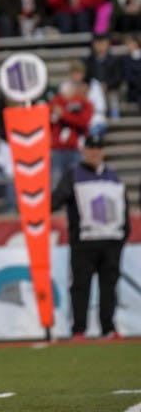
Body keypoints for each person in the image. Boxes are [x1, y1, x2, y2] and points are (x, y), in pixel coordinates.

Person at [52, 135, 129, 339]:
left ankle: (108, 328)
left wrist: (122, 237)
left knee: (109, 286)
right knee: (80, 286)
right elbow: (55, 201)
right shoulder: (73, 174)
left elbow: (124, 208)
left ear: (103, 151)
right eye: (91, 148)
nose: (95, 152)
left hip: (111, 241)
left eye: (98, 148)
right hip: (84, 242)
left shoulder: (113, 176)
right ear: (83, 151)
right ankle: (79, 329)